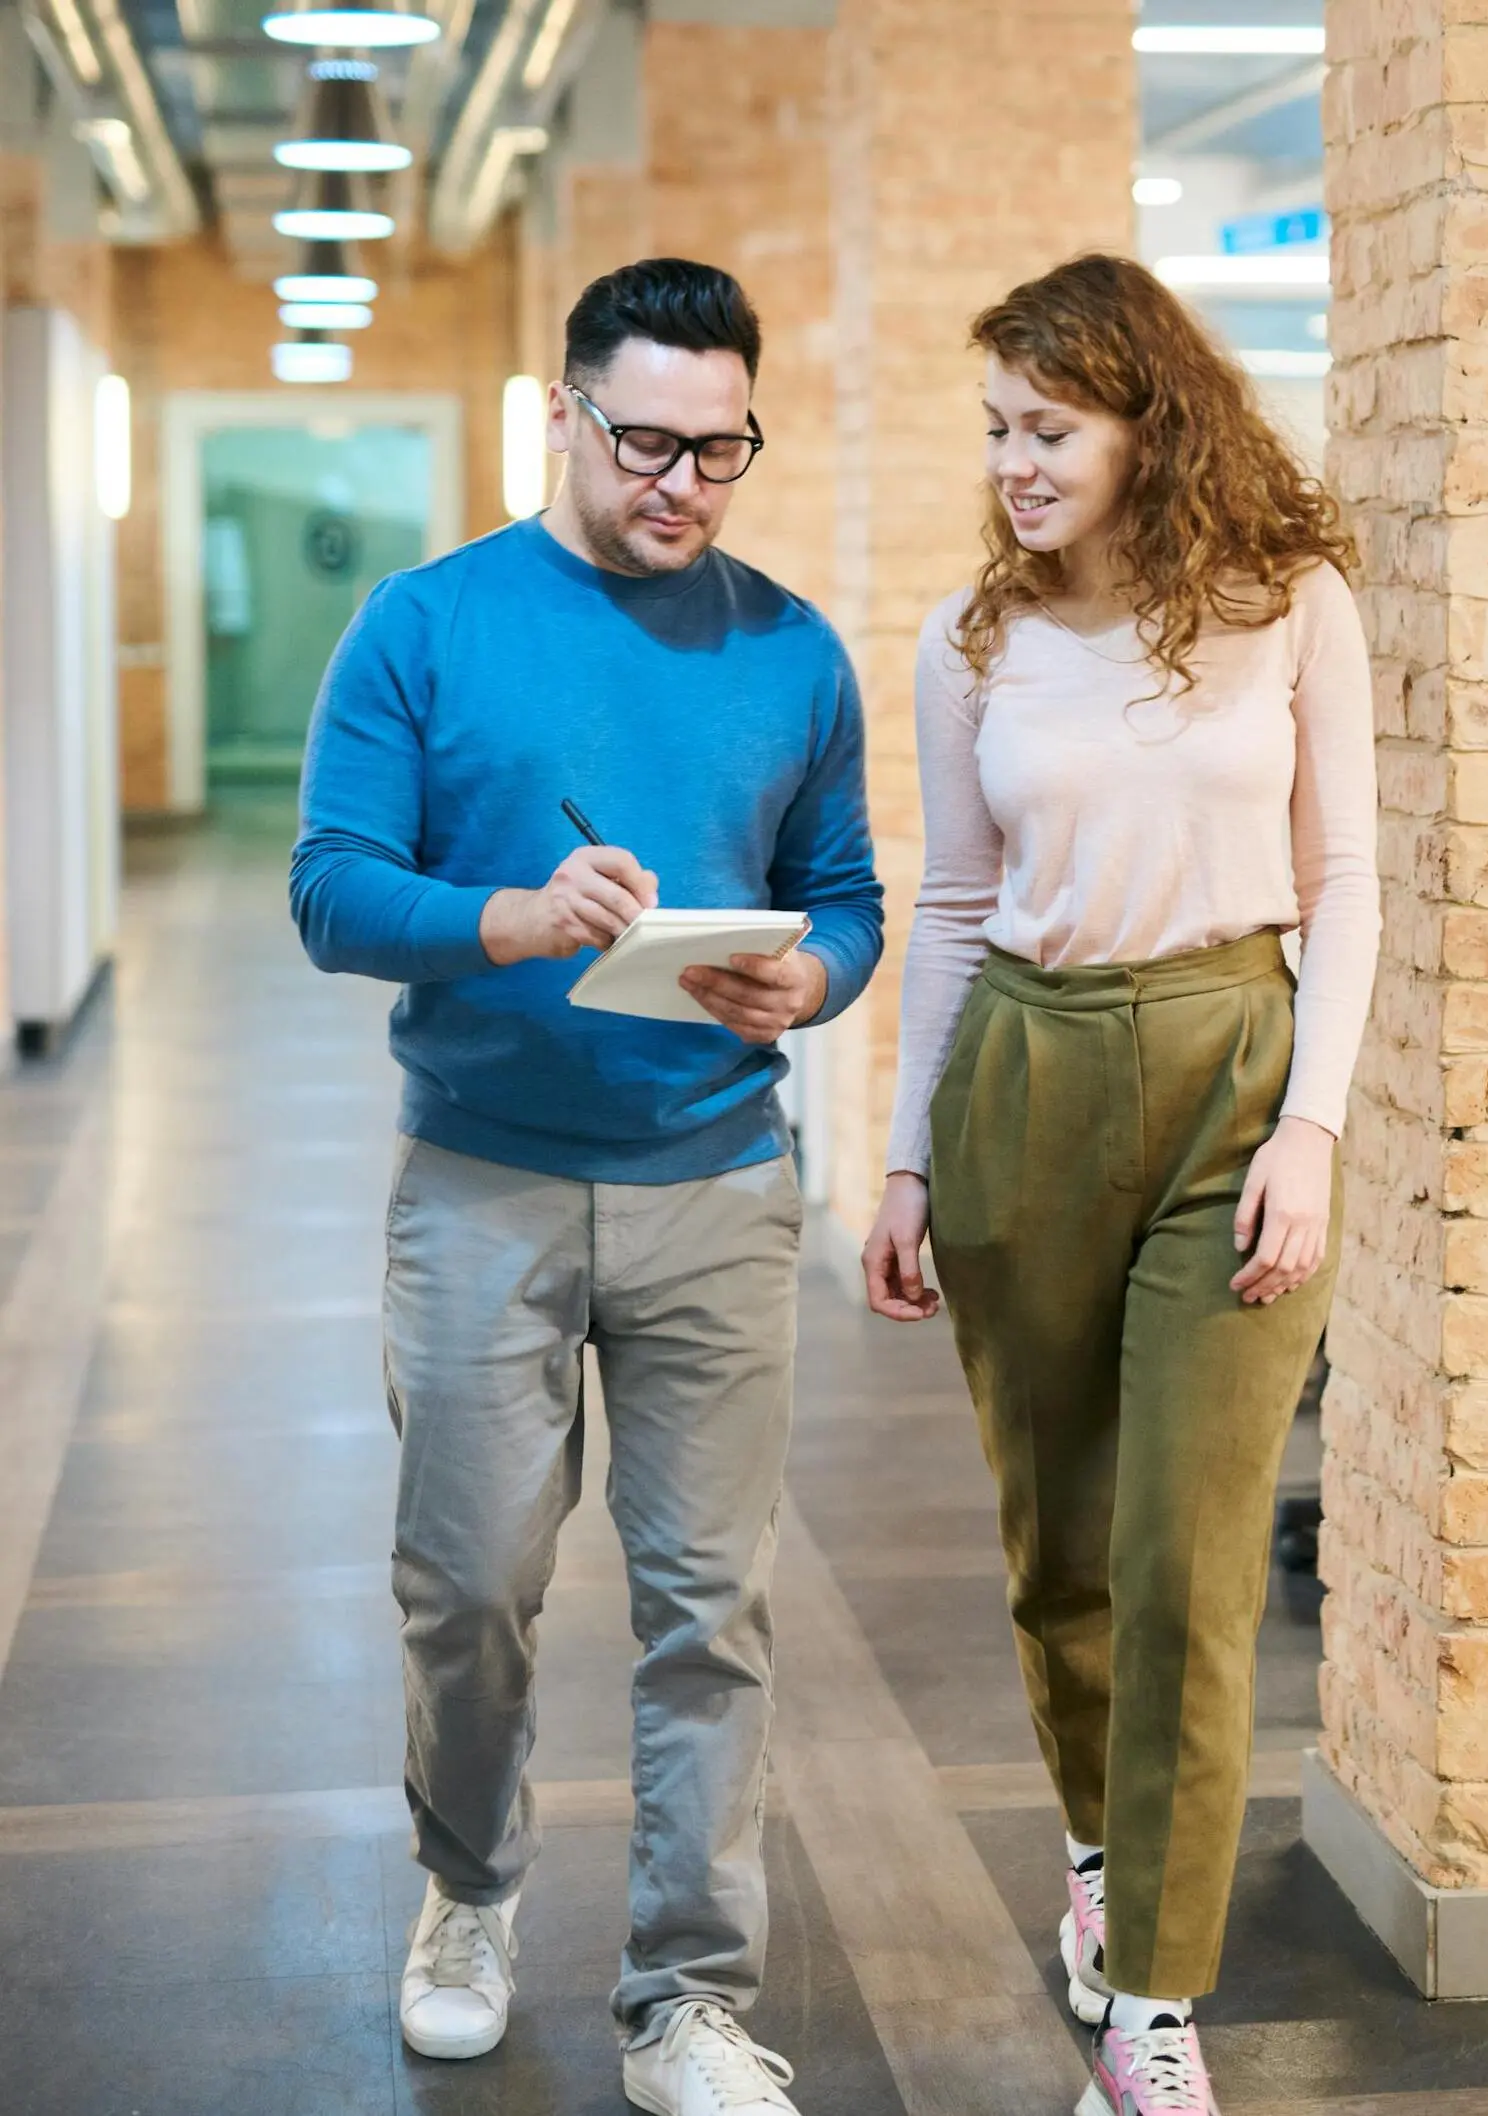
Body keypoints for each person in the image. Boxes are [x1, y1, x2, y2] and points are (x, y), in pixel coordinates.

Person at [291, 257, 882, 2116]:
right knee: (468, 1584)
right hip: (483, 1185)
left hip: (718, 1179)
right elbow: (329, 887)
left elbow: (851, 890)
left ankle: (687, 1998)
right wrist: (511, 917)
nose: (684, 485)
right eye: (647, 442)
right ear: (565, 414)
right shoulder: (426, 624)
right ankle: (468, 1895)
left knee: (713, 1608)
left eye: (723, 450)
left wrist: (821, 975)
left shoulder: (793, 648)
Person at [862, 252, 1379, 2116]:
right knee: (1060, 1549)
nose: (1011, 460)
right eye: (996, 428)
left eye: (1048, 426)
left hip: (1239, 1069)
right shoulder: (968, 639)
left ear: (1150, 421)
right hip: (1025, 1072)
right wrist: (908, 1155)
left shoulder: (1289, 603)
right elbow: (954, 906)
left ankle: (1154, 2003)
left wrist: (1313, 1128)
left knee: (1187, 1562)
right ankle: (1102, 1845)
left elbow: (1348, 884)